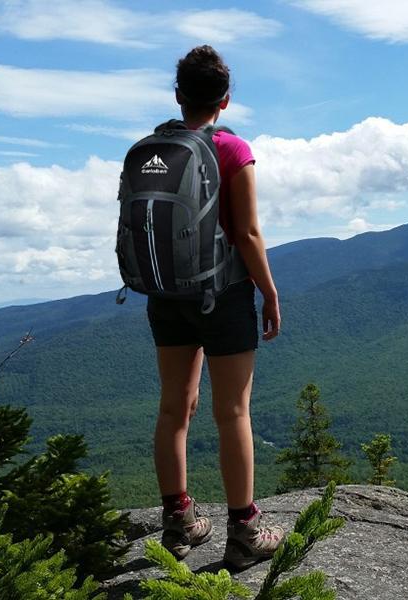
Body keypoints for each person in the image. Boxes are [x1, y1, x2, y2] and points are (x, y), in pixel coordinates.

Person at [147, 45, 284, 570]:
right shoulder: (232, 149)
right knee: (233, 412)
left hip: (166, 294)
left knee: (173, 408)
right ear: (225, 99)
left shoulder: (156, 150)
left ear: (178, 95)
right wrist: (269, 292)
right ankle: (244, 531)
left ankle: (178, 521)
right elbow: (246, 232)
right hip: (224, 296)